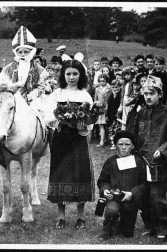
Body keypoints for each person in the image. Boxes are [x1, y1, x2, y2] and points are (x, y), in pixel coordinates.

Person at [44, 59, 96, 229]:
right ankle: (61, 216)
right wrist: (59, 119)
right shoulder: (57, 94)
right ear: (63, 75)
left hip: (78, 139)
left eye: (75, 74)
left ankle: (80, 216)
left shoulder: (84, 95)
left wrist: (84, 125)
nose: (71, 77)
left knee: (80, 172)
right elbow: (47, 117)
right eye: (68, 74)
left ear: (80, 75)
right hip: (61, 138)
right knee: (61, 173)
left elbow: (91, 119)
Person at [129, 75, 167, 241]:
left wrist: (163, 150)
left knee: (157, 197)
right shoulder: (141, 113)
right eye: (145, 94)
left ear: (160, 94)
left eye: (152, 93)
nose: (148, 97)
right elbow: (134, 135)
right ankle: (149, 225)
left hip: (159, 163)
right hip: (142, 161)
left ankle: (163, 226)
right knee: (143, 197)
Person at [97, 131, 147, 239]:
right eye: (120, 144)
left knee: (127, 234)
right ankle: (107, 230)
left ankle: (121, 224)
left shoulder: (138, 162)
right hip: (114, 198)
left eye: (127, 144)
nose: (124, 147)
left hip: (130, 199)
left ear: (133, 146)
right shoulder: (110, 162)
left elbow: (144, 183)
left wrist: (132, 193)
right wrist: (105, 190)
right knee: (112, 210)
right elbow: (102, 181)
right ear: (115, 145)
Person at [2, 26, 48, 103]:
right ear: (16, 53)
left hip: (33, 101)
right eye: (20, 52)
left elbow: (41, 87)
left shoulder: (39, 69)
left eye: (26, 52)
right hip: (12, 101)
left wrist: (30, 96)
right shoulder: (8, 68)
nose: (23, 55)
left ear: (32, 52)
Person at [94, 73, 111, 147]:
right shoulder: (97, 89)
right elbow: (95, 99)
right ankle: (102, 141)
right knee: (101, 125)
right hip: (100, 109)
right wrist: (96, 105)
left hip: (107, 108)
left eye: (104, 81)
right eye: (100, 81)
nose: (102, 82)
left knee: (107, 124)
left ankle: (107, 139)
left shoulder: (110, 88)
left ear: (106, 81)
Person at [106, 80, 122, 149]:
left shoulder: (121, 95)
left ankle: (116, 143)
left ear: (119, 87)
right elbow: (108, 106)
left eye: (116, 87)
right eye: (113, 87)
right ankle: (112, 142)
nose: (114, 88)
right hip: (110, 114)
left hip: (117, 115)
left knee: (116, 129)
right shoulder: (110, 94)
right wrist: (107, 115)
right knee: (111, 129)